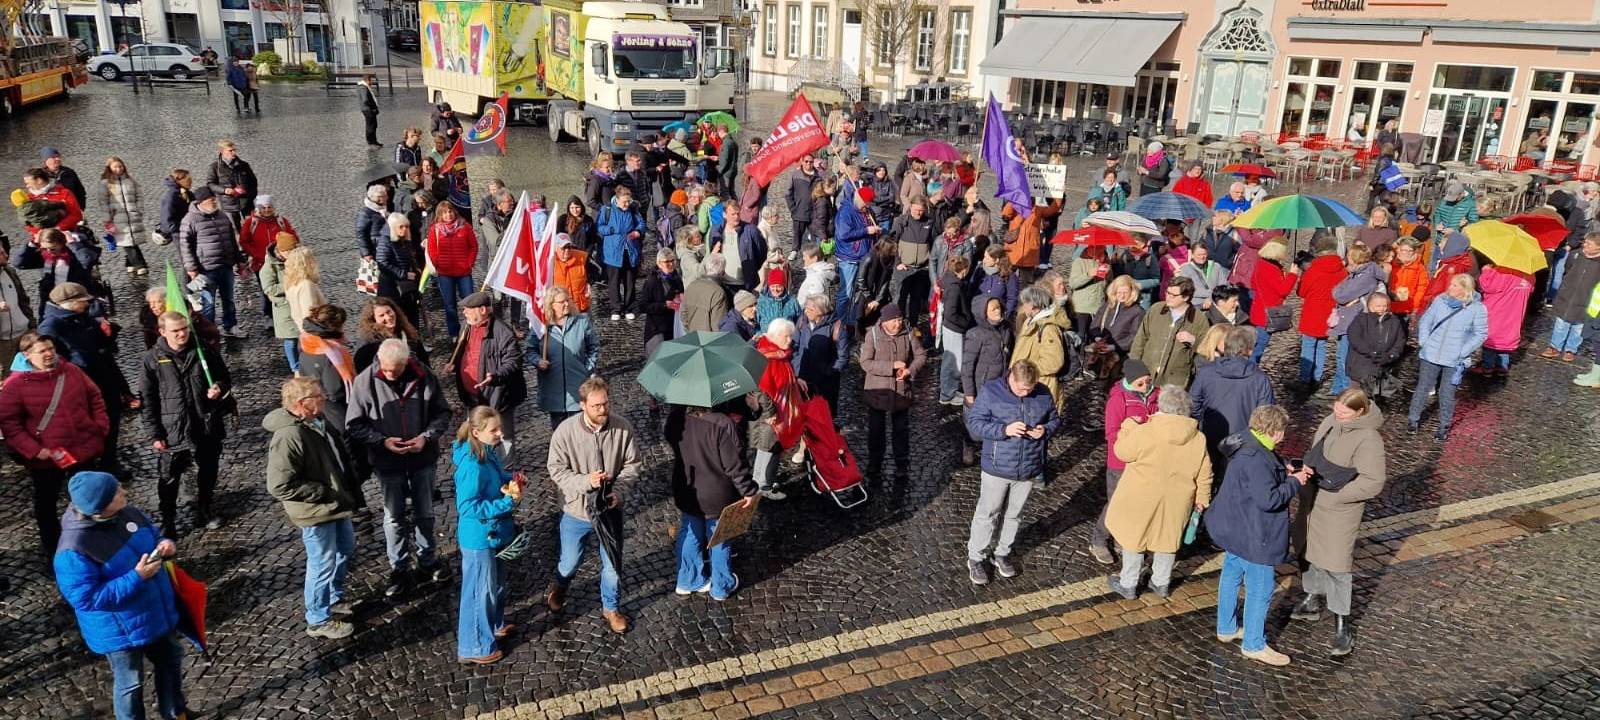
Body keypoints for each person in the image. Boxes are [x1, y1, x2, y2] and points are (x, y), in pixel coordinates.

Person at [53, 472, 191, 720]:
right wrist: (137, 577)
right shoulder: (73, 549)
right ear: (101, 506)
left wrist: (165, 544)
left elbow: (153, 534)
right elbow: (86, 599)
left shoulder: (129, 513)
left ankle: (175, 714)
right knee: (130, 685)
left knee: (170, 664)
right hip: (120, 632)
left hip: (155, 614)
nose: (124, 492)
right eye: (116, 491)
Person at [346, 339, 453, 597]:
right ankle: (399, 568)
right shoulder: (365, 380)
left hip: (421, 458)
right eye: (385, 368)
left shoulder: (424, 376)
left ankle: (428, 560)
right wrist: (381, 441)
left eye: (394, 369)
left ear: (406, 363)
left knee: (425, 512)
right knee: (393, 517)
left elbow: (443, 412)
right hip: (387, 461)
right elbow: (354, 423)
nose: (389, 374)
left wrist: (426, 437)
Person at [265, 376, 362, 640]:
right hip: (317, 512)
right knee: (321, 564)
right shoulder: (290, 435)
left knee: (345, 549)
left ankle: (334, 598)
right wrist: (321, 492)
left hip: (336, 504)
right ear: (302, 404)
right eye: (318, 396)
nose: (324, 398)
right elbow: (278, 485)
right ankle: (318, 619)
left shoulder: (317, 421)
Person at [1209, 405, 1305, 667]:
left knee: (1231, 573)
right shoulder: (1258, 458)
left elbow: (1259, 477)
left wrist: (1282, 468)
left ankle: (1226, 627)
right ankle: (1253, 643)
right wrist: (1295, 482)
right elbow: (1268, 499)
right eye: (1282, 431)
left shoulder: (1246, 441)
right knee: (1260, 588)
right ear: (1274, 431)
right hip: (1255, 533)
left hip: (1234, 527)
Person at [544, 377, 640, 634]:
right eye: (596, 405)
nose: (603, 410)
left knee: (612, 563)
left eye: (606, 404)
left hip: (610, 511)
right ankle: (561, 586)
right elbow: (556, 470)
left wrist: (619, 492)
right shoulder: (565, 432)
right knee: (570, 561)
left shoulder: (623, 428)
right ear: (583, 405)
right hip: (577, 511)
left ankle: (611, 607)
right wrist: (586, 481)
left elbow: (632, 465)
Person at [1295, 388, 1386, 657]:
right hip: (1313, 499)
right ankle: (1312, 597)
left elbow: (1373, 481)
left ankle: (1342, 625)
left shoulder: (1369, 439)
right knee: (1306, 550)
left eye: (1344, 413)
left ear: (1360, 412)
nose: (1337, 415)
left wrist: (1339, 498)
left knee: (1336, 566)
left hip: (1339, 511)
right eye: (1336, 408)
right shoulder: (1332, 421)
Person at [0, 331, 108, 555]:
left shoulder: (71, 370)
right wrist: (34, 450)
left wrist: (100, 426)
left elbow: (95, 397)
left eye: (51, 349)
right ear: (27, 355)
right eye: (42, 351)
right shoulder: (15, 385)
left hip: (82, 448)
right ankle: (54, 549)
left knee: (91, 497)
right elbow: (9, 424)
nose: (49, 354)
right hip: (47, 457)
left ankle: (96, 542)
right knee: (47, 504)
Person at [1105, 386, 1212, 600]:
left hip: (1141, 496)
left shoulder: (1146, 431)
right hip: (1178, 499)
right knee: (1167, 539)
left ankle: (1128, 583)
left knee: (1134, 537)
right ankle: (1161, 582)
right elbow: (1205, 472)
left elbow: (1122, 451)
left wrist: (1127, 426)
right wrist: (1202, 499)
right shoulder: (1198, 438)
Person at [964, 360, 1059, 585]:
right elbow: (974, 424)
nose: (1026, 393)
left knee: (1014, 515)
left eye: (1030, 389)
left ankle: (1002, 553)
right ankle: (976, 557)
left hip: (1028, 466)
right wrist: (1003, 430)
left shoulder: (1043, 392)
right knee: (988, 513)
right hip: (997, 466)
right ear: (1011, 378)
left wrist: (1045, 430)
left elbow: (1055, 419)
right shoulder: (991, 391)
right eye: (1021, 389)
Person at [142, 311, 233, 537]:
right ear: (162, 332)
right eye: (176, 330)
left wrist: (219, 388)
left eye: (184, 328)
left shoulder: (203, 349)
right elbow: (148, 398)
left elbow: (224, 376)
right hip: (173, 428)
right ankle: (168, 521)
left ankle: (204, 509)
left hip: (205, 423)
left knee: (209, 469)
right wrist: (154, 433)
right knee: (169, 477)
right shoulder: (152, 359)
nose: (182, 333)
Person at [451, 406, 522, 664]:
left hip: (491, 535)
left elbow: (495, 476)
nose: (500, 434)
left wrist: (511, 478)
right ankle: (476, 646)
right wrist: (505, 503)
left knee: (494, 586)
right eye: (494, 430)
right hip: (479, 537)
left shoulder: (485, 452)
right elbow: (467, 506)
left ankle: (493, 625)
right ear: (476, 432)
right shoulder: (471, 465)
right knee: (479, 590)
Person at [666, 401, 758, 600]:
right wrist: (749, 491)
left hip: (687, 489)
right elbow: (734, 465)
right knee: (720, 537)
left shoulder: (675, 418)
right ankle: (721, 585)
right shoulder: (722, 423)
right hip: (717, 494)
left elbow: (671, 439)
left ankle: (688, 580)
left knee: (690, 532)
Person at [38, 283, 130, 468]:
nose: (87, 305)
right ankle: (92, 464)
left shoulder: (81, 316)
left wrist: (109, 333)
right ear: (69, 303)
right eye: (83, 301)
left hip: (103, 375)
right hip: (79, 382)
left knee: (111, 417)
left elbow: (100, 344)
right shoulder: (51, 326)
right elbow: (49, 359)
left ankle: (109, 461)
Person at [1407, 274, 1488, 442]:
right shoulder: (1440, 300)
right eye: (1451, 284)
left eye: (1455, 286)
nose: (1450, 287)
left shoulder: (1477, 308)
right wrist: (1425, 342)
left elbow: (1480, 334)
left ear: (1465, 289)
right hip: (1431, 354)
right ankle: (1413, 419)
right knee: (1422, 387)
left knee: (1447, 393)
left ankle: (1444, 425)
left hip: (1455, 359)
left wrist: (1463, 352)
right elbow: (1426, 320)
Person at [859, 303, 926, 484]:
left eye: (899, 320)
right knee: (876, 431)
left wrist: (910, 371)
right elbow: (865, 362)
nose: (898, 324)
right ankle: (875, 464)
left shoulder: (909, 332)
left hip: (901, 392)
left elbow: (921, 355)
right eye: (894, 321)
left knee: (901, 431)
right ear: (885, 322)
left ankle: (901, 465)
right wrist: (891, 366)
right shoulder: (872, 335)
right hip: (877, 391)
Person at [448, 292, 526, 442]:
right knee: (476, 436)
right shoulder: (466, 326)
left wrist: (495, 376)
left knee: (502, 437)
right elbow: (462, 351)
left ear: (482, 310)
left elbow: (513, 362)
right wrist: (453, 363)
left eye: (468, 308)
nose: (464, 312)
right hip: (473, 397)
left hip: (497, 396)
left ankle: (505, 466)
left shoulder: (503, 332)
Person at [1189, 325, 1275, 462]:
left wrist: (1204, 420)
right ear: (1250, 350)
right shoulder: (1260, 378)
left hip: (1210, 433)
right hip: (1244, 441)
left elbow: (1193, 403)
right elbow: (1266, 415)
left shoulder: (1206, 372)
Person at [177, 187, 248, 338]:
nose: (214, 202)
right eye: (211, 200)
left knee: (228, 299)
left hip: (226, 266)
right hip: (206, 269)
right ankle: (208, 330)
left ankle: (231, 325)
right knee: (208, 303)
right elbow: (185, 247)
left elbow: (231, 241)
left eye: (215, 199)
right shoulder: (189, 220)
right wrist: (192, 269)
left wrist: (240, 260)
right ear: (201, 202)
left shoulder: (222, 216)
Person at [528, 286, 599, 430]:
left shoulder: (581, 322)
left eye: (567, 300)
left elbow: (594, 347)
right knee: (559, 433)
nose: (566, 304)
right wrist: (538, 361)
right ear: (551, 306)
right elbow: (530, 350)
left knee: (579, 432)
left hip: (577, 386)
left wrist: (587, 368)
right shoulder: (541, 326)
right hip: (553, 390)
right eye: (562, 302)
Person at [1128, 277, 1210, 389]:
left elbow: (1207, 350)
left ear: (1185, 297)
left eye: (1173, 295)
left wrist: (1193, 340)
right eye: (1168, 292)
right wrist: (1134, 368)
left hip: (1175, 381)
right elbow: (1140, 339)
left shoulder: (1199, 319)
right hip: (1146, 374)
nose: (1168, 297)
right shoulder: (1156, 309)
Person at [1326, 245, 1384, 396]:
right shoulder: (1357, 273)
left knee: (1346, 358)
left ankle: (1346, 392)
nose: (1346, 259)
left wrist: (1343, 296)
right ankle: (1338, 387)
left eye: (1349, 256)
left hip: (1353, 321)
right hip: (1347, 319)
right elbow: (1337, 290)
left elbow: (1340, 295)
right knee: (1341, 355)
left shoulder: (1365, 277)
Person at [1292, 236, 1348, 392]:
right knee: (1322, 345)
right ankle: (1316, 377)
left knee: (1308, 344)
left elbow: (1302, 292)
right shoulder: (1342, 270)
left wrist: (1300, 277)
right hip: (1331, 313)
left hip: (1312, 312)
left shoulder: (1313, 270)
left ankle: (1304, 380)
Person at [425, 201, 477, 342]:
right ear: (440, 215)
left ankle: (472, 329)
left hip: (463, 272)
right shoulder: (435, 229)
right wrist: (439, 263)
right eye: (445, 212)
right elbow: (431, 250)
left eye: (450, 211)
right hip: (445, 273)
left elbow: (473, 246)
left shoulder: (465, 227)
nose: (448, 214)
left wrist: (469, 263)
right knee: (449, 304)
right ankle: (454, 332)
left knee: (470, 301)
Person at [1546, 232, 1600, 364]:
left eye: (1589, 244)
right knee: (1561, 323)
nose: (1584, 245)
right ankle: (1555, 346)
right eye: (1585, 242)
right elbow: (1568, 269)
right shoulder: (1575, 255)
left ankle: (1571, 349)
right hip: (1568, 295)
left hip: (1586, 300)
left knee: (1578, 327)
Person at [1473, 264, 1534, 376]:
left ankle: (1487, 367)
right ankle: (1503, 367)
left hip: (1496, 312)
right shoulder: (1529, 275)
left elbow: (1486, 285)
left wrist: (1486, 271)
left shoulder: (1502, 272)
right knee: (1507, 339)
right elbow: (1530, 289)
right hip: (1515, 314)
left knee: (1492, 339)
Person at [1345, 293, 1407, 403]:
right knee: (1355, 397)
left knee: (1374, 398)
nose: (1382, 309)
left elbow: (1400, 341)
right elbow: (1354, 338)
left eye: (1384, 306)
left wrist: (1391, 355)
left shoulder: (1394, 321)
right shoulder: (1361, 320)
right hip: (1360, 365)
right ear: (1370, 306)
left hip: (1381, 366)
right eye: (1378, 306)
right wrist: (1370, 352)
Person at [793, 294, 849, 414]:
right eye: (806, 308)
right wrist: (797, 370)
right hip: (803, 379)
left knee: (824, 417)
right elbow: (795, 345)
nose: (806, 312)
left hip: (826, 384)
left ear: (821, 311)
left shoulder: (836, 328)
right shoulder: (802, 321)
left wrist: (830, 371)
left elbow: (843, 357)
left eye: (810, 309)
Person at [599, 187, 646, 321]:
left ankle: (629, 307)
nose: (627, 204)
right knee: (613, 281)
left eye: (628, 201)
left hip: (630, 250)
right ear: (617, 199)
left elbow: (641, 224)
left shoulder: (633, 209)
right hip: (613, 251)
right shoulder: (607, 209)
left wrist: (638, 231)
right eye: (624, 201)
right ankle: (616, 308)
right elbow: (600, 227)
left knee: (629, 281)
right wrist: (611, 229)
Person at [98, 156, 150, 274]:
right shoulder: (105, 184)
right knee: (126, 240)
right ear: (109, 168)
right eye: (115, 167)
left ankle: (130, 262)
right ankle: (140, 264)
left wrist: (139, 209)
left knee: (132, 239)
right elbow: (103, 202)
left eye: (120, 166)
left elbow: (139, 196)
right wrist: (107, 218)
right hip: (117, 217)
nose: (118, 169)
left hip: (132, 215)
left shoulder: (130, 180)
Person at [354, 297, 428, 373]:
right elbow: (362, 370)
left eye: (389, 312)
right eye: (381, 315)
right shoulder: (369, 342)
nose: (388, 317)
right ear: (373, 320)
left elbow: (423, 359)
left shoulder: (408, 332)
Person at [376, 212, 423, 327]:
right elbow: (383, 263)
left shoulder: (403, 240)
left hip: (407, 287)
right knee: (398, 317)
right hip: (392, 288)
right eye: (401, 227)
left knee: (412, 316)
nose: (405, 229)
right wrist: (404, 274)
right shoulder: (385, 241)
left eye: (406, 226)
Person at [639, 247, 684, 358]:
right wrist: (664, 305)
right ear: (659, 263)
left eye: (672, 261)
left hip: (673, 325)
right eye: (666, 262)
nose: (670, 264)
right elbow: (643, 306)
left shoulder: (677, 278)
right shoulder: (652, 281)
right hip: (657, 328)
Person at [205, 140, 258, 228]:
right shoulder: (214, 167)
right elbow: (210, 184)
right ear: (222, 151)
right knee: (234, 231)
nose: (234, 152)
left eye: (234, 150)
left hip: (247, 203)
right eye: (230, 150)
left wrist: (251, 196)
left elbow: (253, 182)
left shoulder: (244, 165)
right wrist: (224, 190)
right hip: (229, 206)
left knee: (254, 228)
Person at [0, 244, 35, 374]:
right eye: (1, 254)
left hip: (24, 333)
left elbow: (23, 300)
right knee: (8, 379)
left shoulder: (10, 272)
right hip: (2, 343)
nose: (6, 256)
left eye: (4, 252)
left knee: (34, 371)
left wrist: (32, 325)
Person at [681, 253, 730, 334]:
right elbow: (718, 325)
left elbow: (683, 315)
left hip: (693, 335)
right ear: (722, 271)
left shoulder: (691, 286)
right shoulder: (718, 292)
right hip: (710, 340)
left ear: (706, 267)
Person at [1388, 236, 1429, 320]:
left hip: (1408, 308)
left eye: (1410, 250)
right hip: (1389, 306)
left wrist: (1414, 305)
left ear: (1414, 252)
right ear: (1398, 250)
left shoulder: (1419, 267)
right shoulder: (1390, 264)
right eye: (1404, 250)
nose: (1406, 253)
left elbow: (1422, 288)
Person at [1177, 242, 1227, 310]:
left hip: (1215, 304)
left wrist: (1211, 299)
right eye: (1199, 255)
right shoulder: (1185, 269)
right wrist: (1211, 293)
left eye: (1204, 254)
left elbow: (1223, 286)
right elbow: (1187, 289)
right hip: (1195, 305)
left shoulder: (1216, 266)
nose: (1202, 257)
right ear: (1192, 255)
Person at [155, 169, 194, 247]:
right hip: (180, 234)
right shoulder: (171, 197)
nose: (191, 182)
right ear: (179, 180)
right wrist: (182, 228)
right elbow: (167, 221)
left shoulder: (188, 193)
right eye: (188, 180)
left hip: (190, 231)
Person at [757, 267, 800, 334]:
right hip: (767, 340)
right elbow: (756, 324)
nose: (776, 290)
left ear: (784, 286)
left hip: (787, 339)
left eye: (779, 286)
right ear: (769, 286)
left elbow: (799, 322)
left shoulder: (792, 301)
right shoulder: (761, 302)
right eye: (772, 286)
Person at [356, 183, 390, 264]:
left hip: (384, 246)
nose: (387, 198)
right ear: (378, 198)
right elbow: (361, 234)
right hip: (375, 248)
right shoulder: (365, 213)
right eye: (385, 196)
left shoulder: (383, 210)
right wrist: (366, 253)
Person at [358, 75, 381, 147]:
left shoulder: (365, 87)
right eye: (371, 80)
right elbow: (365, 100)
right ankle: (371, 141)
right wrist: (372, 108)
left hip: (368, 109)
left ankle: (374, 140)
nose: (372, 82)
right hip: (368, 110)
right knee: (370, 126)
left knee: (373, 125)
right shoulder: (363, 88)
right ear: (367, 80)